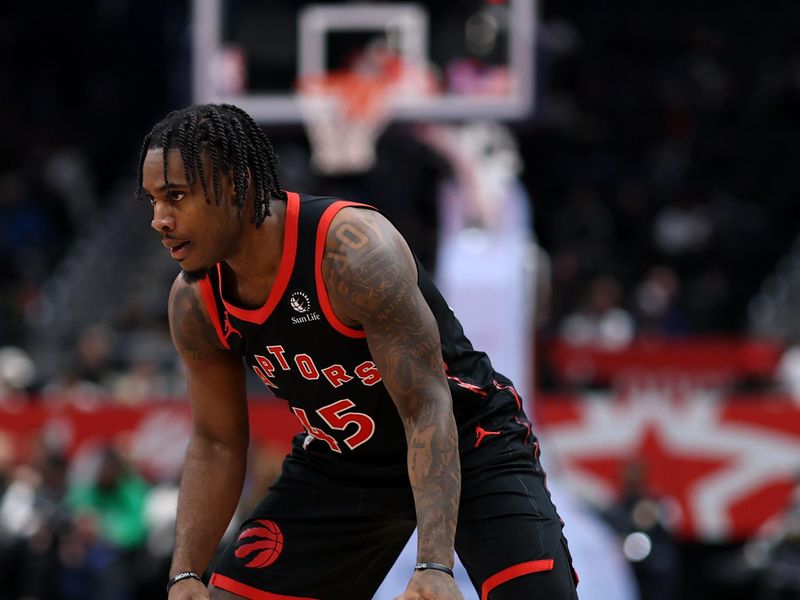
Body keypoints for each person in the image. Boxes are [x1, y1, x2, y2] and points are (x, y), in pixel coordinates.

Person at [137, 103, 578, 600]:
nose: (159, 220)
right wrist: (185, 574)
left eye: (175, 196)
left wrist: (434, 563)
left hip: (467, 439)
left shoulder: (352, 252)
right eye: (153, 200)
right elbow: (217, 441)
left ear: (237, 184)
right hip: (343, 462)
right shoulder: (195, 301)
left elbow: (426, 406)